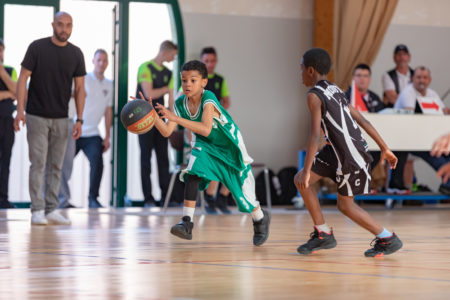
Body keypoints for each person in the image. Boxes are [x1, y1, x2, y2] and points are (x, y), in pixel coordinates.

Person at [141, 60, 270, 245]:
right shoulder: (179, 103)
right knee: (192, 173)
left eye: (193, 80)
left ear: (203, 82)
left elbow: (206, 129)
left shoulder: (208, 98)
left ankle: (260, 217)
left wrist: (176, 118)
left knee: (242, 196)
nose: (187, 84)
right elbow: (167, 131)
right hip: (204, 145)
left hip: (228, 146)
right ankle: (187, 223)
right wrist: (151, 115)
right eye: (184, 80)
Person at [294, 48, 402, 257]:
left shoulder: (314, 96)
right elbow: (362, 120)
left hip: (350, 157)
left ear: (310, 71)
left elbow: (315, 135)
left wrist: (308, 168)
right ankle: (323, 234)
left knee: (345, 206)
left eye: (300, 69)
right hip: (334, 152)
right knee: (300, 179)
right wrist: (384, 148)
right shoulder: (334, 89)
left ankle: (387, 238)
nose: (299, 74)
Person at [14, 12, 86, 225]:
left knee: (57, 165)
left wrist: (80, 119)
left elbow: (80, 88)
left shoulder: (76, 54)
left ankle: (51, 209)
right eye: (61, 24)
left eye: (68, 25)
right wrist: (20, 111)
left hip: (62, 118)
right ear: (53, 25)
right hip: (36, 115)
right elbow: (22, 78)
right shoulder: (37, 47)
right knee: (38, 163)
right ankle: (37, 209)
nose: (64, 29)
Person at [59, 49, 113, 208]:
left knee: (98, 163)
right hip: (76, 130)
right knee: (63, 165)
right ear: (93, 61)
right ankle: (60, 200)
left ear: (107, 63)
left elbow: (108, 111)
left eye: (105, 60)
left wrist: (107, 136)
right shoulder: (84, 79)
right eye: (99, 60)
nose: (102, 63)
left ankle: (93, 199)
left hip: (93, 133)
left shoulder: (110, 85)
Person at [393, 66, 450, 195]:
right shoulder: (408, 92)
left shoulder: (432, 94)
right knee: (436, 154)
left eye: (424, 78)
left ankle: (447, 184)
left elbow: (443, 113)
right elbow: (411, 116)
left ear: (429, 80)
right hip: (408, 139)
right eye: (418, 77)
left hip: (428, 137)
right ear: (412, 78)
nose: (421, 81)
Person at [136, 40, 177, 207]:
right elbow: (148, 93)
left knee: (163, 159)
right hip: (143, 119)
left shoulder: (169, 74)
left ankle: (166, 198)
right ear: (165, 52)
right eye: (173, 55)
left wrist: (173, 121)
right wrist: (166, 90)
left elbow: (172, 100)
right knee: (145, 158)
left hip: (161, 120)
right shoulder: (145, 67)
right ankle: (148, 198)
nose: (174, 59)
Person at [200, 47, 232, 214]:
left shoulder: (220, 79)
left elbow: (227, 100)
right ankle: (210, 197)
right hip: (202, 133)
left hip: (218, 127)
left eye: (212, 61)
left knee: (235, 158)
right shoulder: (196, 81)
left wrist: (218, 110)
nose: (210, 64)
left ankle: (223, 197)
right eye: (207, 61)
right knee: (216, 158)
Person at [0, 38, 17, 209]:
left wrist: (2, 74)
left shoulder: (10, 70)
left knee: (6, 161)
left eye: (0, 50)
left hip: (7, 123)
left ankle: (3, 198)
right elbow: (11, 92)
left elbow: (18, 92)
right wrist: (7, 94)